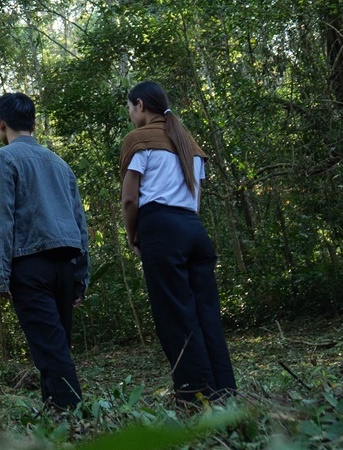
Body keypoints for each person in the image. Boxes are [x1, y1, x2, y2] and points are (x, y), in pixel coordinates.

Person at [120, 81, 237, 403]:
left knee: (175, 317)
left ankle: (195, 396)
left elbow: (130, 200)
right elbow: (195, 198)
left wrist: (134, 236)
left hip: (161, 229)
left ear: (140, 105)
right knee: (205, 314)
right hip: (193, 229)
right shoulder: (190, 144)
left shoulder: (139, 141)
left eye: (130, 108)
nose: (130, 115)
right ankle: (224, 391)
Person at [0, 92, 92, 410]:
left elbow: (1, 223)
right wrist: (80, 278)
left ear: (1, 124)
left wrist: (0, 278)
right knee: (56, 348)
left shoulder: (3, 159)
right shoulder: (59, 163)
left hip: (30, 268)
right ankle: (55, 415)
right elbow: (80, 224)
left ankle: (72, 421)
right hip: (65, 267)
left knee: (51, 351)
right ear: (33, 123)